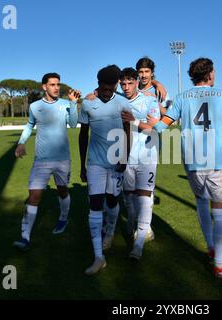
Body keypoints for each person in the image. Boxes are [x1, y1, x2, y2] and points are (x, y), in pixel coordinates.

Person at [149, 57, 222, 278]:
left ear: (193, 76)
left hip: (192, 162)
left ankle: (211, 246)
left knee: (201, 202)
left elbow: (161, 128)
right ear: (210, 74)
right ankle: (218, 264)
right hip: (217, 161)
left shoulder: (182, 98)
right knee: (220, 213)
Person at [13, 73, 80, 251]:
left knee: (63, 191)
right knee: (34, 195)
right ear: (44, 87)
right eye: (52, 84)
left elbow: (73, 124)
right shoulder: (35, 106)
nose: (56, 87)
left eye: (58, 84)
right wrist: (21, 143)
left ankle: (63, 218)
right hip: (41, 160)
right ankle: (25, 237)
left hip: (62, 159)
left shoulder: (66, 104)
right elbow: (29, 125)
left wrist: (73, 104)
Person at [79, 65, 133, 275]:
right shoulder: (88, 103)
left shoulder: (122, 103)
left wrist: (125, 158)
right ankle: (98, 257)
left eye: (111, 87)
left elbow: (128, 132)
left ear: (116, 85)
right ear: (98, 84)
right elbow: (83, 135)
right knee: (94, 205)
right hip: (95, 164)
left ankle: (110, 232)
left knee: (112, 202)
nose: (107, 91)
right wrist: (82, 164)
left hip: (116, 163)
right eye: (104, 87)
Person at [119, 67, 160, 259]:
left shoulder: (150, 101)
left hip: (147, 156)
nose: (126, 87)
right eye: (123, 83)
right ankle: (131, 222)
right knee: (128, 195)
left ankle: (139, 244)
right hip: (124, 156)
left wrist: (135, 121)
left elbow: (153, 128)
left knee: (144, 197)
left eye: (130, 83)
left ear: (137, 82)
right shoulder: (117, 101)